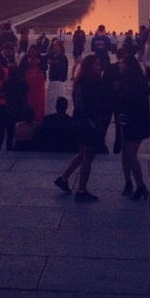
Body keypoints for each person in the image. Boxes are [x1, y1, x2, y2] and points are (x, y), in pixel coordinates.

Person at [54, 54, 111, 202]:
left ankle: (64, 178)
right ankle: (81, 189)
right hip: (88, 123)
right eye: (97, 65)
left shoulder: (80, 82)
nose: (99, 67)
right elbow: (94, 105)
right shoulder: (92, 83)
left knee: (82, 154)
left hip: (79, 121)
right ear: (90, 67)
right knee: (88, 157)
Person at [115, 53, 150, 200]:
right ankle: (128, 182)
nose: (119, 65)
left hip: (136, 122)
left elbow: (132, 102)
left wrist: (119, 95)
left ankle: (141, 186)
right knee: (125, 153)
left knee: (131, 155)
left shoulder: (137, 82)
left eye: (122, 62)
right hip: (127, 120)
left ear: (128, 65)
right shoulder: (126, 80)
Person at [20, 45, 46, 124]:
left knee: (39, 101)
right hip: (28, 84)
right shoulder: (25, 59)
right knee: (29, 101)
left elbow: (45, 67)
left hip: (39, 84)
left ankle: (39, 118)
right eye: (31, 52)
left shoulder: (41, 59)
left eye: (34, 52)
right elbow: (21, 69)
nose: (33, 54)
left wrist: (40, 63)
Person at [46, 39, 69, 111]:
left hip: (59, 82)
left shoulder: (63, 58)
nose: (54, 47)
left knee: (57, 101)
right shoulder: (52, 56)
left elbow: (61, 70)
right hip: (52, 81)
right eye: (53, 46)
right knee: (50, 102)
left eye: (56, 46)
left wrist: (53, 63)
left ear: (60, 47)